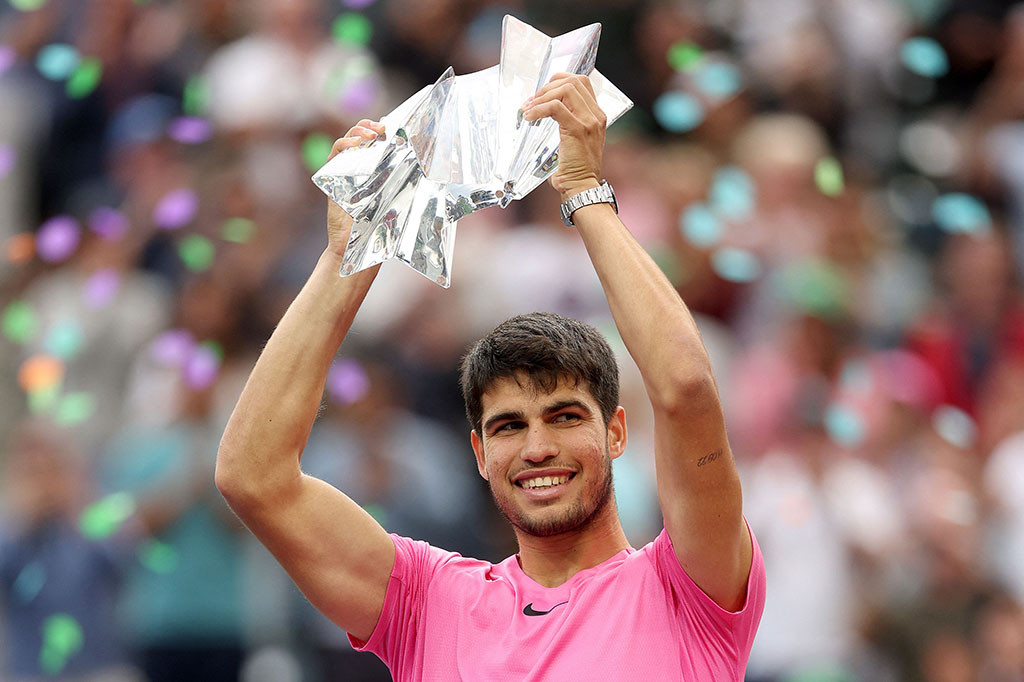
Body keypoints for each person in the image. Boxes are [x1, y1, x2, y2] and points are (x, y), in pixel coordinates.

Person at [215, 73, 765, 680]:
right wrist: (350, 257)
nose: (537, 448)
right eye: (508, 426)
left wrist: (585, 190)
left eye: (564, 416)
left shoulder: (688, 587)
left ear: (616, 433)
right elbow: (253, 476)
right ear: (479, 452)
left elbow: (686, 388)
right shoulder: (426, 602)